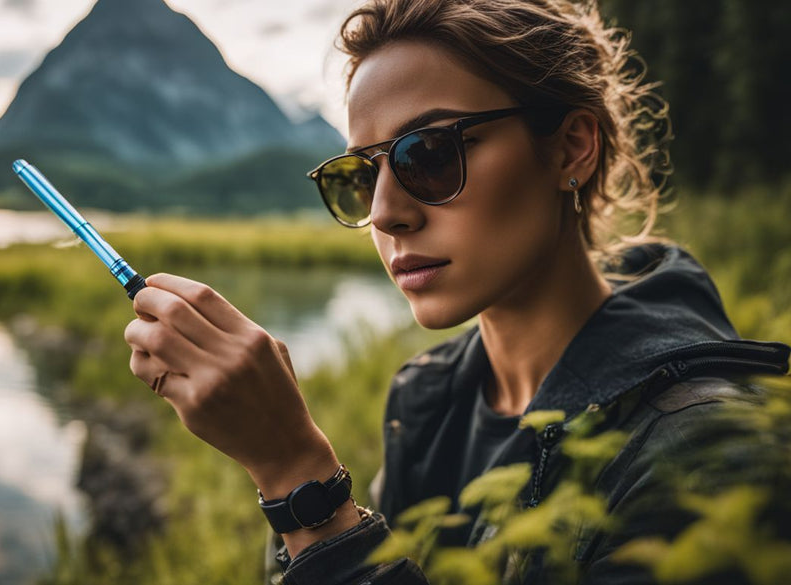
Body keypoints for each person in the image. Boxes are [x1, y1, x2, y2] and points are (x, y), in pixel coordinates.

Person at [123, 0, 791, 583]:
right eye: (357, 176)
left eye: (429, 154)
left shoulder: (704, 452)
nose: (384, 213)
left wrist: (299, 480)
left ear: (571, 147)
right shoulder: (428, 398)